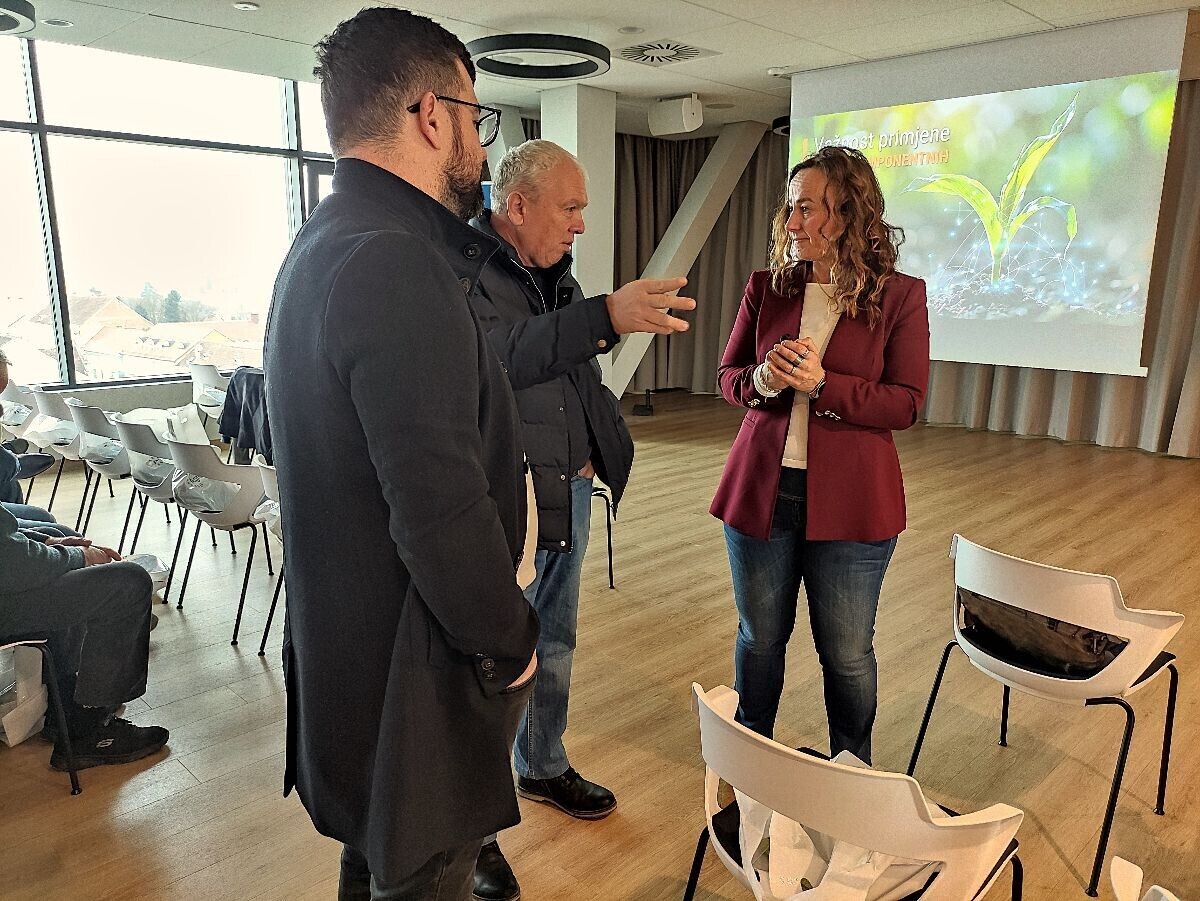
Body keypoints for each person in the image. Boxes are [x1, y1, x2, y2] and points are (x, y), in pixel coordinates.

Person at [264, 9, 540, 900]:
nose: (481, 145)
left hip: (355, 662)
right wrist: (511, 642)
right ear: (431, 116)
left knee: (380, 865)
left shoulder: (320, 243)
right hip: (413, 680)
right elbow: (439, 509)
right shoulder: (394, 260)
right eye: (475, 117)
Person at [467, 140, 693, 900]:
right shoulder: (466, 273)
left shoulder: (557, 277)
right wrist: (605, 315)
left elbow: (572, 374)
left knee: (555, 642)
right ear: (517, 204)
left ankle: (543, 764)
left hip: (566, 487)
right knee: (492, 664)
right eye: (569, 208)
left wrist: (596, 445)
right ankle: (476, 827)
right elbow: (500, 358)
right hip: (507, 502)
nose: (580, 225)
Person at [710, 146, 930, 764]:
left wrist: (824, 385)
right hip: (762, 493)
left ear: (848, 214)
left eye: (806, 208)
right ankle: (751, 763)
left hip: (853, 505)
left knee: (847, 655)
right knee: (759, 640)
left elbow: (906, 403)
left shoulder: (900, 297)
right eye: (791, 207)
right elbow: (728, 378)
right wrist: (762, 380)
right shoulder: (767, 288)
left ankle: (850, 774)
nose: (791, 222)